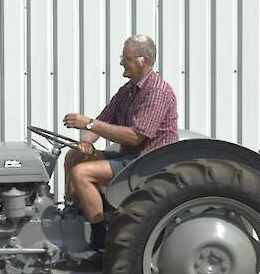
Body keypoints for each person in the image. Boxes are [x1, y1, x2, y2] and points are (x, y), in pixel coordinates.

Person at [62, 34, 178, 252]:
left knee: (81, 173)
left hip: (147, 164)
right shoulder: (127, 91)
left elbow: (135, 136)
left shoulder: (157, 92)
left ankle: (99, 240)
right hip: (130, 158)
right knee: (73, 157)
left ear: (142, 61)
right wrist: (86, 141)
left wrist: (88, 124)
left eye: (126, 58)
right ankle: (76, 215)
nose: (121, 63)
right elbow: (102, 120)